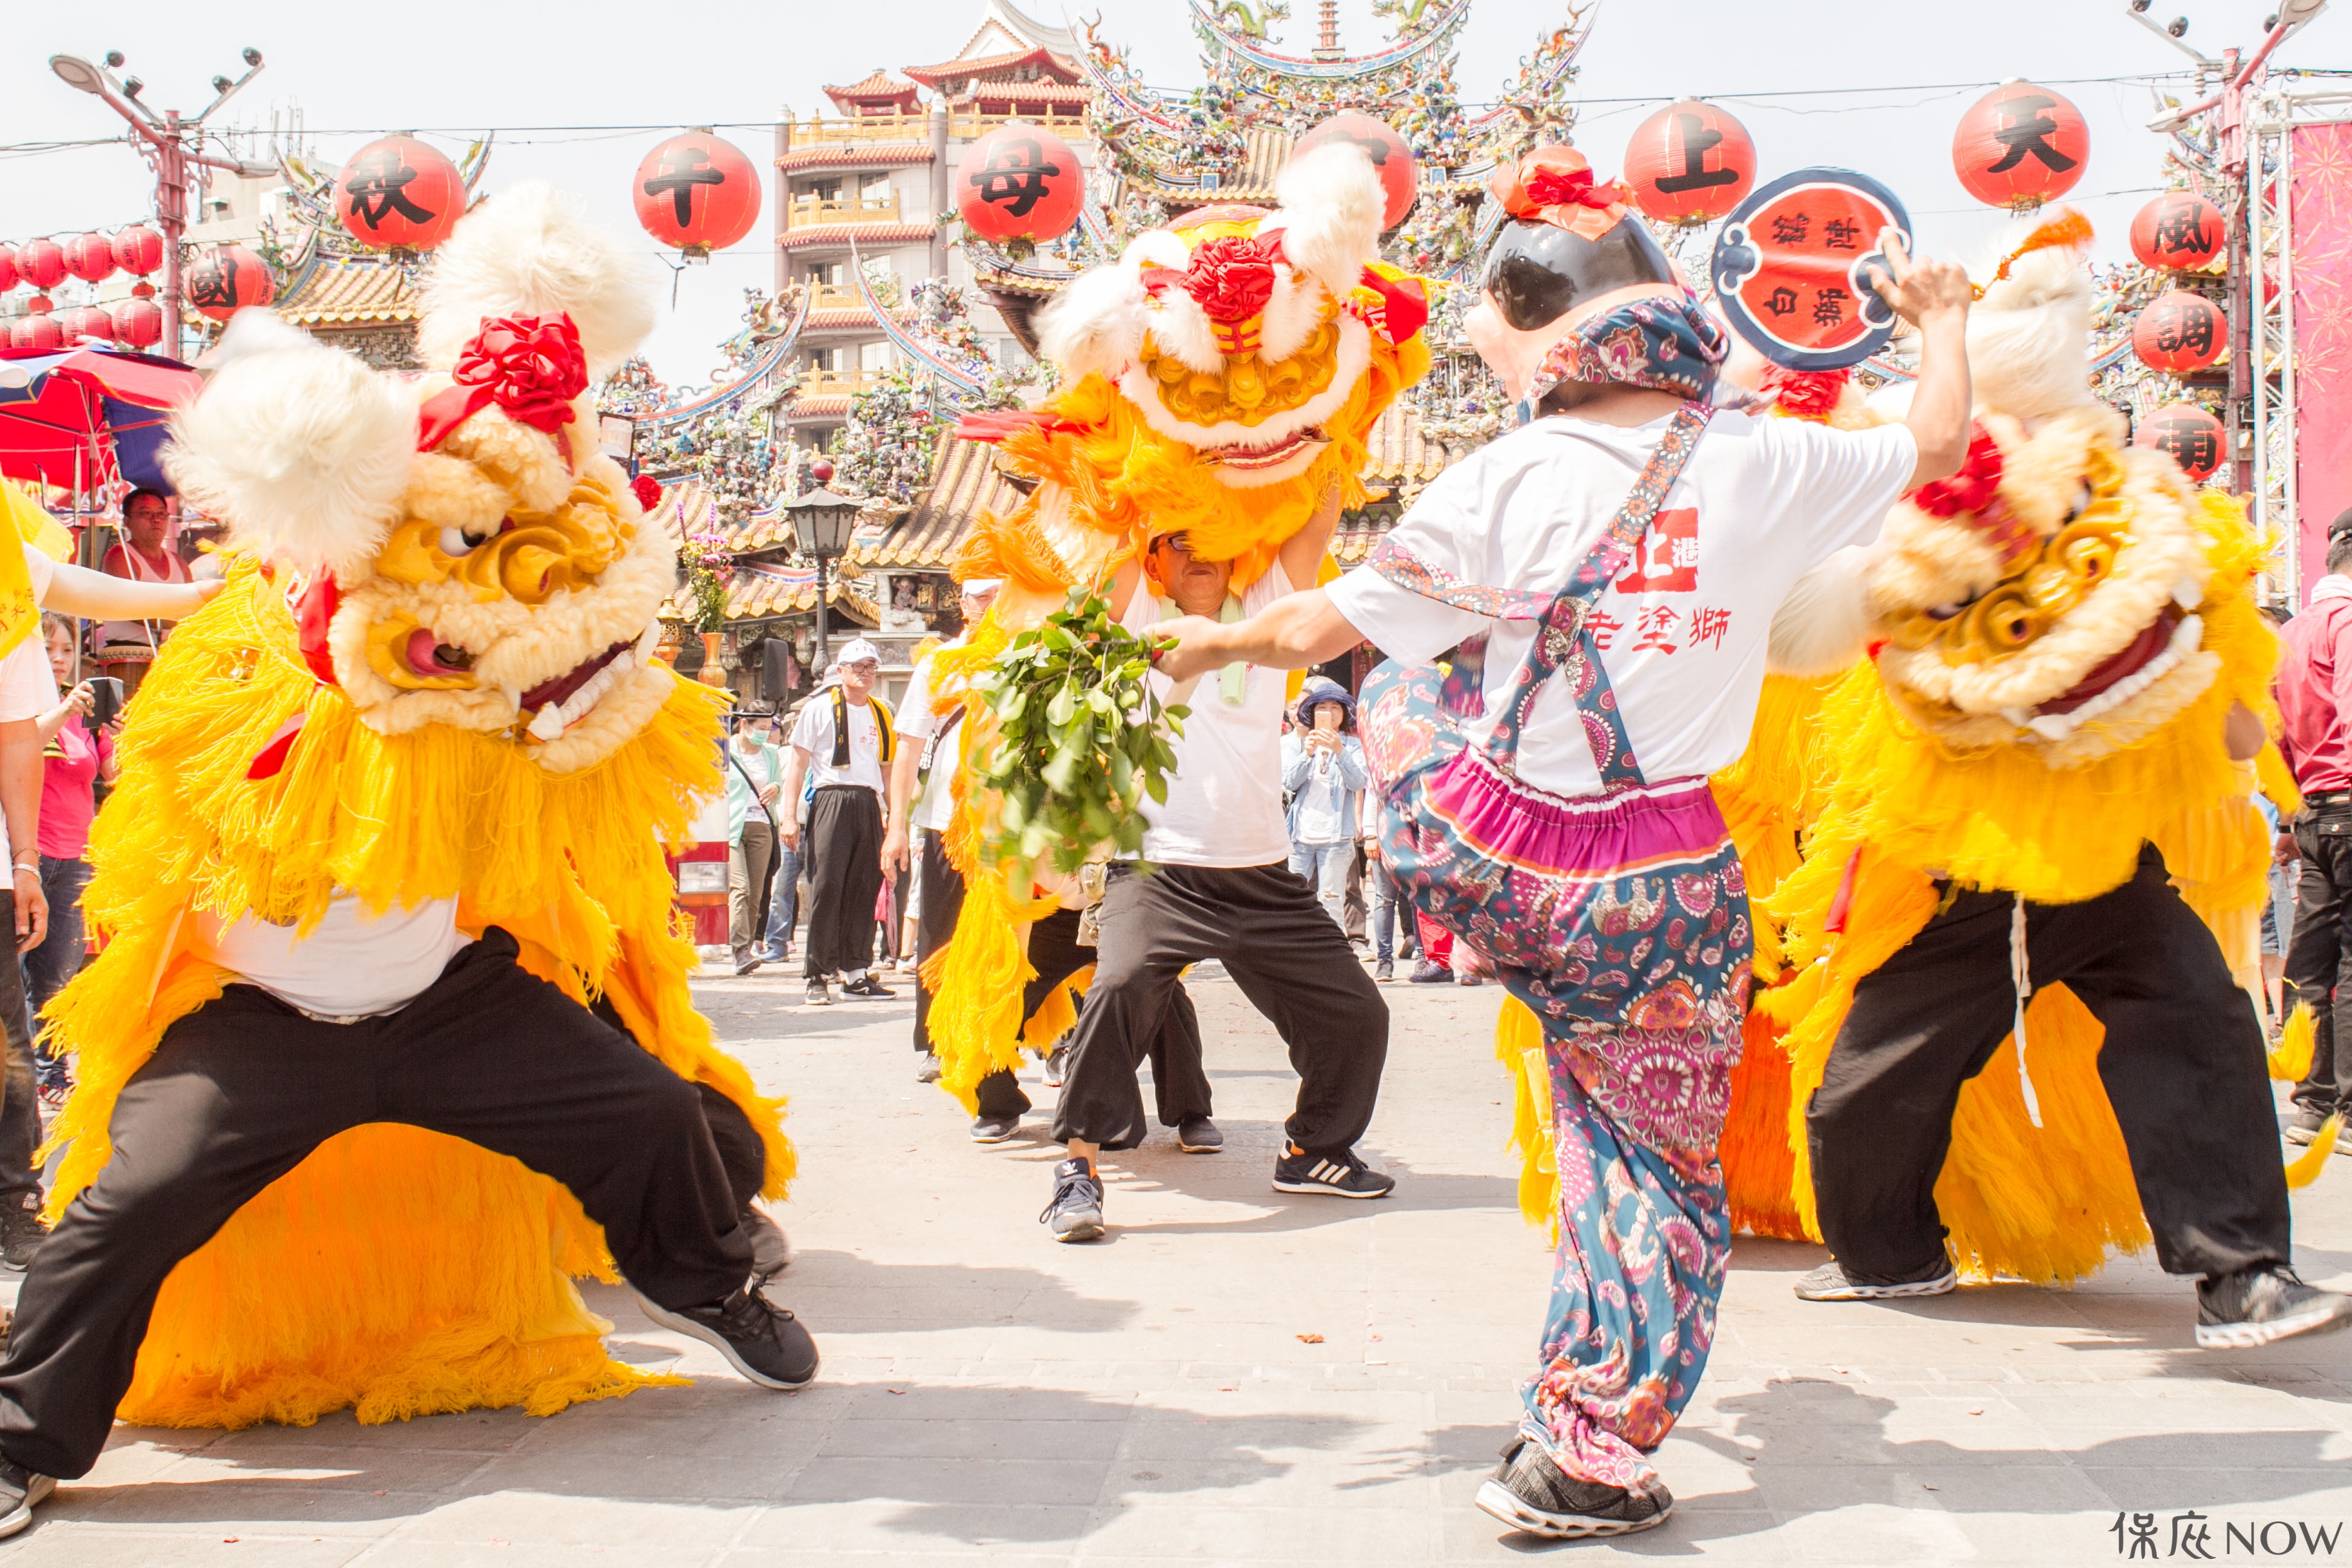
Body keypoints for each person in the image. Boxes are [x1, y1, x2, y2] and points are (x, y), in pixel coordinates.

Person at [1152, 145, 1974, 1539]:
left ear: (1546, 341)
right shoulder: (1767, 455)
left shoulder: (1505, 473)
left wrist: (1209, 638)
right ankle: (1595, 1448)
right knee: (1653, 1158)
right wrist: (1941, 319)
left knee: (1594, 1128)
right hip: (1663, 883)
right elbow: (1940, 440)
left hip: (1501, 864)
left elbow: (1315, 631)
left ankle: (1568, 1408)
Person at [1037, 496, 1396, 1245]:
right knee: (1119, 987)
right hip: (1159, 870)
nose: (1198, 553)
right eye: (1179, 541)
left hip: (1262, 874)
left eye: (1215, 539)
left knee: (1358, 1014)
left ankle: (1313, 1149)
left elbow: (1316, 513)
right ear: (1153, 557)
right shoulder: (1131, 610)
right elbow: (1109, 510)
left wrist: (1331, 400)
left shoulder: (1262, 609)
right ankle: (1078, 1169)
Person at [889, 580, 1217, 1146]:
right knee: (997, 983)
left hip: (1117, 890)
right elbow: (992, 812)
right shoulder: (1005, 713)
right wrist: (1045, 882)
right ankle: (996, 1102)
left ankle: (1190, 1111)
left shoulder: (1120, 702)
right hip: (1040, 896)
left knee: (1158, 988)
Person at [2276, 513, 2352, 1151]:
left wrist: (2286, 817)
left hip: (2311, 809)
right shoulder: (2347, 625)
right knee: (2350, 961)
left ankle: (2311, 1104)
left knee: (2311, 956)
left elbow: (2275, 736)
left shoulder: (2294, 631)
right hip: (2350, 801)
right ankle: (2350, 1110)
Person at [25, 615, 117, 1102]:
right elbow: (20, 750)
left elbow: (110, 772)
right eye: (48, 650)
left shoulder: (85, 715)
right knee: (20, 971)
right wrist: (63, 712)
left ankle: (52, 1071)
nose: (59, 660)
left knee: (59, 973)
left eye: (65, 651)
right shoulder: (21, 708)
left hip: (76, 852)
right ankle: (28, 1074)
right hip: (29, 855)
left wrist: (120, 736)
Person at [780, 638, 895, 1006]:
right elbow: (797, 765)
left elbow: (888, 769)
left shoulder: (882, 713)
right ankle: (817, 972)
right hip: (832, 796)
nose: (865, 674)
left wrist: (896, 817)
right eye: (858, 667)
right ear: (842, 671)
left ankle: (857, 971)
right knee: (827, 885)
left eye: (871, 668)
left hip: (867, 799)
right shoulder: (818, 709)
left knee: (865, 885)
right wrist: (789, 817)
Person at [1281, 676, 1368, 933]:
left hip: (1337, 837)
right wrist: (1307, 754)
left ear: (1343, 714)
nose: (1328, 713)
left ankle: (1335, 959)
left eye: (1334, 708)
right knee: (1291, 900)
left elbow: (1357, 782)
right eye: (1321, 708)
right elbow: (1289, 781)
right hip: (1299, 836)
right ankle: (1294, 955)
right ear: (1312, 713)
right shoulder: (1299, 743)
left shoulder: (1352, 746)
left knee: (1332, 901)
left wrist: (1340, 751)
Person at [94, 488, 191, 697]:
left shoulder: (179, 563)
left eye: (161, 514)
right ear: (127, 522)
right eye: (145, 514)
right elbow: (128, 606)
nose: (155, 520)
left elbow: (196, 609)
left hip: (173, 652)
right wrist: (175, 621)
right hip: (131, 653)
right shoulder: (120, 556)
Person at [724, 707, 785, 976]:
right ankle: (738, 949)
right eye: (760, 727)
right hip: (732, 827)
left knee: (757, 892)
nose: (765, 733)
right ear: (743, 725)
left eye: (768, 728)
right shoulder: (726, 751)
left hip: (762, 826)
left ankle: (746, 950)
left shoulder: (771, 754)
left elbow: (778, 784)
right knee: (740, 887)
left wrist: (776, 787)